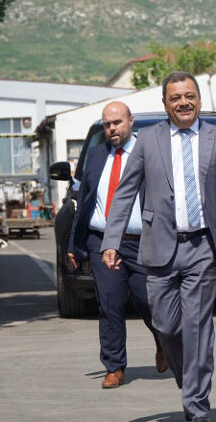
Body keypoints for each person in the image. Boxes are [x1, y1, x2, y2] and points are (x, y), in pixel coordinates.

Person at [100, 72, 216, 422]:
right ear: (165, 104)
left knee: (197, 329)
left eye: (189, 96)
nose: (183, 103)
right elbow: (125, 192)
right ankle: (189, 381)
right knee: (166, 327)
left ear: (199, 99)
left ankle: (196, 405)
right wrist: (111, 240)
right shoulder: (148, 140)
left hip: (203, 247)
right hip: (160, 247)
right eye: (175, 98)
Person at [67, 101, 165, 388]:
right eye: (107, 124)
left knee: (149, 302)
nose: (112, 129)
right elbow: (84, 201)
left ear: (131, 122)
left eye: (117, 123)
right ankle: (114, 367)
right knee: (110, 305)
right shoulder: (97, 155)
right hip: (102, 240)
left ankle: (164, 343)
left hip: (141, 242)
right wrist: (75, 244)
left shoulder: (148, 153)